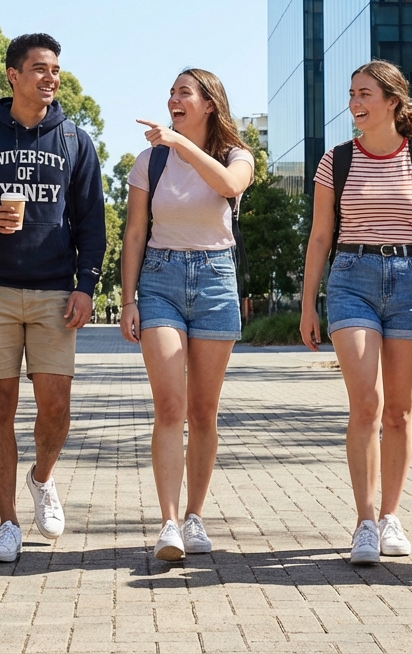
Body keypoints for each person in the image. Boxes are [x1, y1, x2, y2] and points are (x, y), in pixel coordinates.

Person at [0, 33, 105, 563]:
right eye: (39, 68)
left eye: (55, 69)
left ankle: (42, 477)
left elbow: (92, 222)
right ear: (13, 75)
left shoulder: (75, 141)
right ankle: (7, 522)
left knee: (57, 405)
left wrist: (86, 285)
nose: (50, 77)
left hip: (56, 291)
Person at [299, 60, 412, 565]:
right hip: (352, 279)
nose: (354, 103)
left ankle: (391, 516)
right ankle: (364, 521)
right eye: (351, 94)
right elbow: (320, 236)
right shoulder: (335, 160)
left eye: (364, 93)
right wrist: (307, 302)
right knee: (365, 403)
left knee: (400, 411)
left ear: (393, 101)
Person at [120, 69, 254, 560]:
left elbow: (226, 186)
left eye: (184, 93)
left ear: (209, 104)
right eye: (171, 92)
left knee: (203, 411)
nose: (173, 99)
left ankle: (196, 516)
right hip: (160, 280)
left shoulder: (236, 156)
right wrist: (129, 297)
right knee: (170, 406)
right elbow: (135, 233)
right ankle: (170, 522)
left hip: (216, 280)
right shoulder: (148, 162)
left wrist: (179, 143)